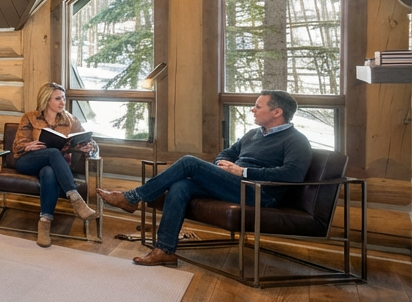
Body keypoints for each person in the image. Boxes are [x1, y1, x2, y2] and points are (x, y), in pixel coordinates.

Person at [97, 90, 312, 267]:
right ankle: (165, 250)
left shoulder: (296, 140)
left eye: (258, 106)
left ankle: (133, 198)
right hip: (235, 184)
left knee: (189, 162)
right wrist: (223, 165)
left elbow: (292, 174)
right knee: (181, 186)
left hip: (260, 193)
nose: (252, 110)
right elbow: (227, 154)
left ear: (277, 112)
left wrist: (242, 172)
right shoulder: (254, 134)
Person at [12, 82, 101, 248]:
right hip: (28, 161)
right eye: (58, 98)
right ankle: (75, 198)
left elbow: (89, 141)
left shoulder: (70, 120)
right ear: (47, 100)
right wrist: (27, 145)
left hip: (51, 166)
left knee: (49, 172)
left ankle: (44, 223)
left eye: (64, 98)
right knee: (53, 152)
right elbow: (17, 146)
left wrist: (88, 146)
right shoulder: (30, 117)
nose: (62, 102)